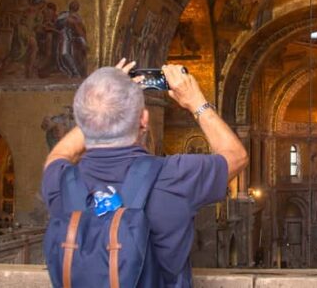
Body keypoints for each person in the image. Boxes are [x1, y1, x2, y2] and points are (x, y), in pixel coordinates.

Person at [41, 59, 248, 287]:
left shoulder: (60, 182)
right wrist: (195, 101)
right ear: (144, 120)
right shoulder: (175, 177)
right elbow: (236, 156)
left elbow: (58, 154)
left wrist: (101, 102)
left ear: (82, 120)